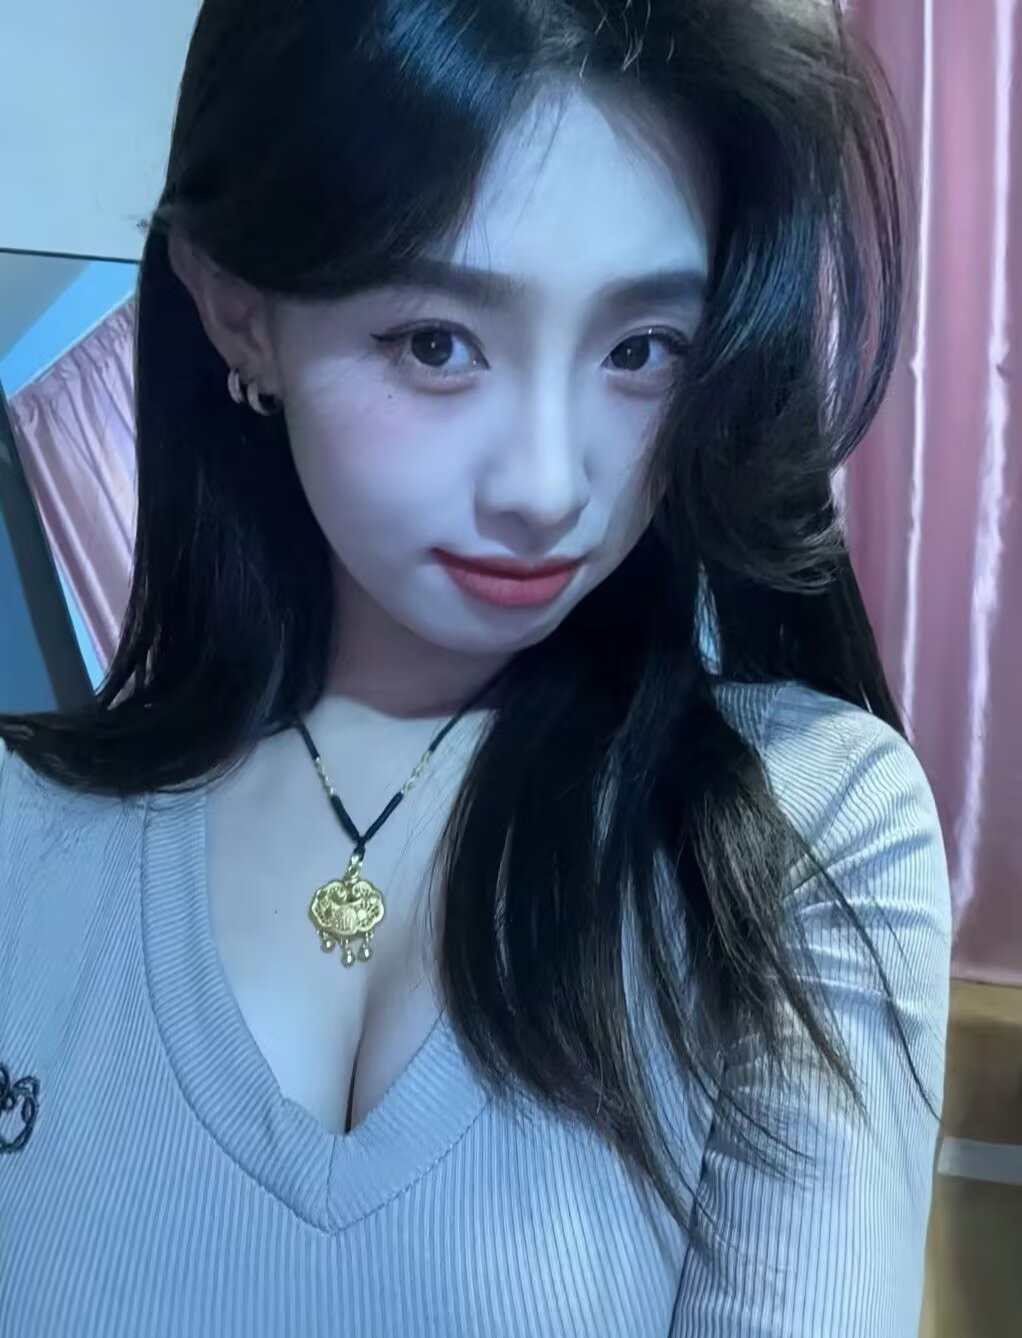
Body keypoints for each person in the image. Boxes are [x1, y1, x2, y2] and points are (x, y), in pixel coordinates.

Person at [0, 1, 951, 1334]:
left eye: (640, 351)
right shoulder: (27, 839)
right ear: (239, 311)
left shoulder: (801, 828)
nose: (548, 486)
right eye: (436, 342)